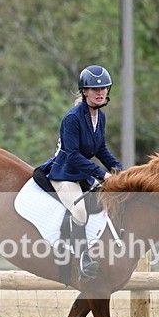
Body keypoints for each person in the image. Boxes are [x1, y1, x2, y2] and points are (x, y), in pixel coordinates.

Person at [38, 64, 123, 279]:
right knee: (79, 211)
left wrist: (121, 172)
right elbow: (72, 155)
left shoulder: (100, 117)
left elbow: (101, 149)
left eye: (104, 88)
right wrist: (102, 174)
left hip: (81, 172)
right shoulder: (72, 118)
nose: (100, 92)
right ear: (84, 91)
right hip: (64, 172)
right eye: (94, 89)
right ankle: (82, 259)